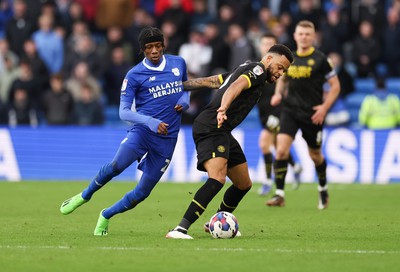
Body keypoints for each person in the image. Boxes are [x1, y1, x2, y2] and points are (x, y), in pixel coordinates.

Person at [60, 26, 190, 236]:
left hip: (167, 139)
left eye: (158, 45)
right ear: (142, 50)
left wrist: (185, 100)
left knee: (142, 193)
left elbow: (185, 88)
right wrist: (150, 121)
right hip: (143, 133)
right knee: (116, 165)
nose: (154, 51)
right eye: (149, 47)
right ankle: (84, 196)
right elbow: (123, 112)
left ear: (163, 45)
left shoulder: (178, 63)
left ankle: (106, 215)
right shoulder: (134, 74)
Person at [166, 43, 294, 239]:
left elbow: (213, 82)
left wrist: (182, 86)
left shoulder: (243, 68)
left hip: (222, 130)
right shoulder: (257, 70)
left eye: (284, 71)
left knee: (243, 184)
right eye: (279, 67)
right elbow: (235, 87)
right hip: (212, 126)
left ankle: (214, 222)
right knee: (217, 178)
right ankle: (180, 229)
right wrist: (223, 108)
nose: (280, 74)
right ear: (268, 59)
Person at [266, 20, 340, 210]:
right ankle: (279, 194)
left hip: (312, 114)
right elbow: (283, 78)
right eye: (301, 33)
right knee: (281, 150)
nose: (304, 37)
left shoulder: (321, 60)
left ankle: (323, 188)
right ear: (295, 36)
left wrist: (324, 108)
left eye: (307, 34)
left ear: (313, 36)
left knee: (315, 155)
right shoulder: (289, 59)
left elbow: (335, 87)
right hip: (290, 110)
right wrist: (277, 94)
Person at [256, 33, 303, 196]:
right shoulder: (257, 66)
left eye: (270, 43)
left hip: (279, 109)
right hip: (263, 110)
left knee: (264, 143)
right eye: (264, 43)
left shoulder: (282, 67)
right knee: (277, 146)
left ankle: (268, 180)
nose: (266, 46)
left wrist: (279, 95)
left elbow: (287, 84)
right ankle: (295, 166)